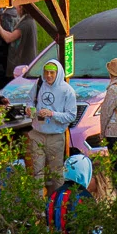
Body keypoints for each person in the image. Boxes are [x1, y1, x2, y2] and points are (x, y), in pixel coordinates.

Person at [28, 58, 77, 186]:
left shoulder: (67, 91)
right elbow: (30, 100)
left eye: (52, 73)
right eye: (46, 72)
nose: (48, 76)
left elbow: (71, 116)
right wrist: (30, 110)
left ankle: (57, 202)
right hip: (38, 133)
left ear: (58, 73)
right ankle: (37, 203)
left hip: (55, 136)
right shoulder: (39, 84)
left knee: (56, 173)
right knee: (37, 172)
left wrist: (52, 114)